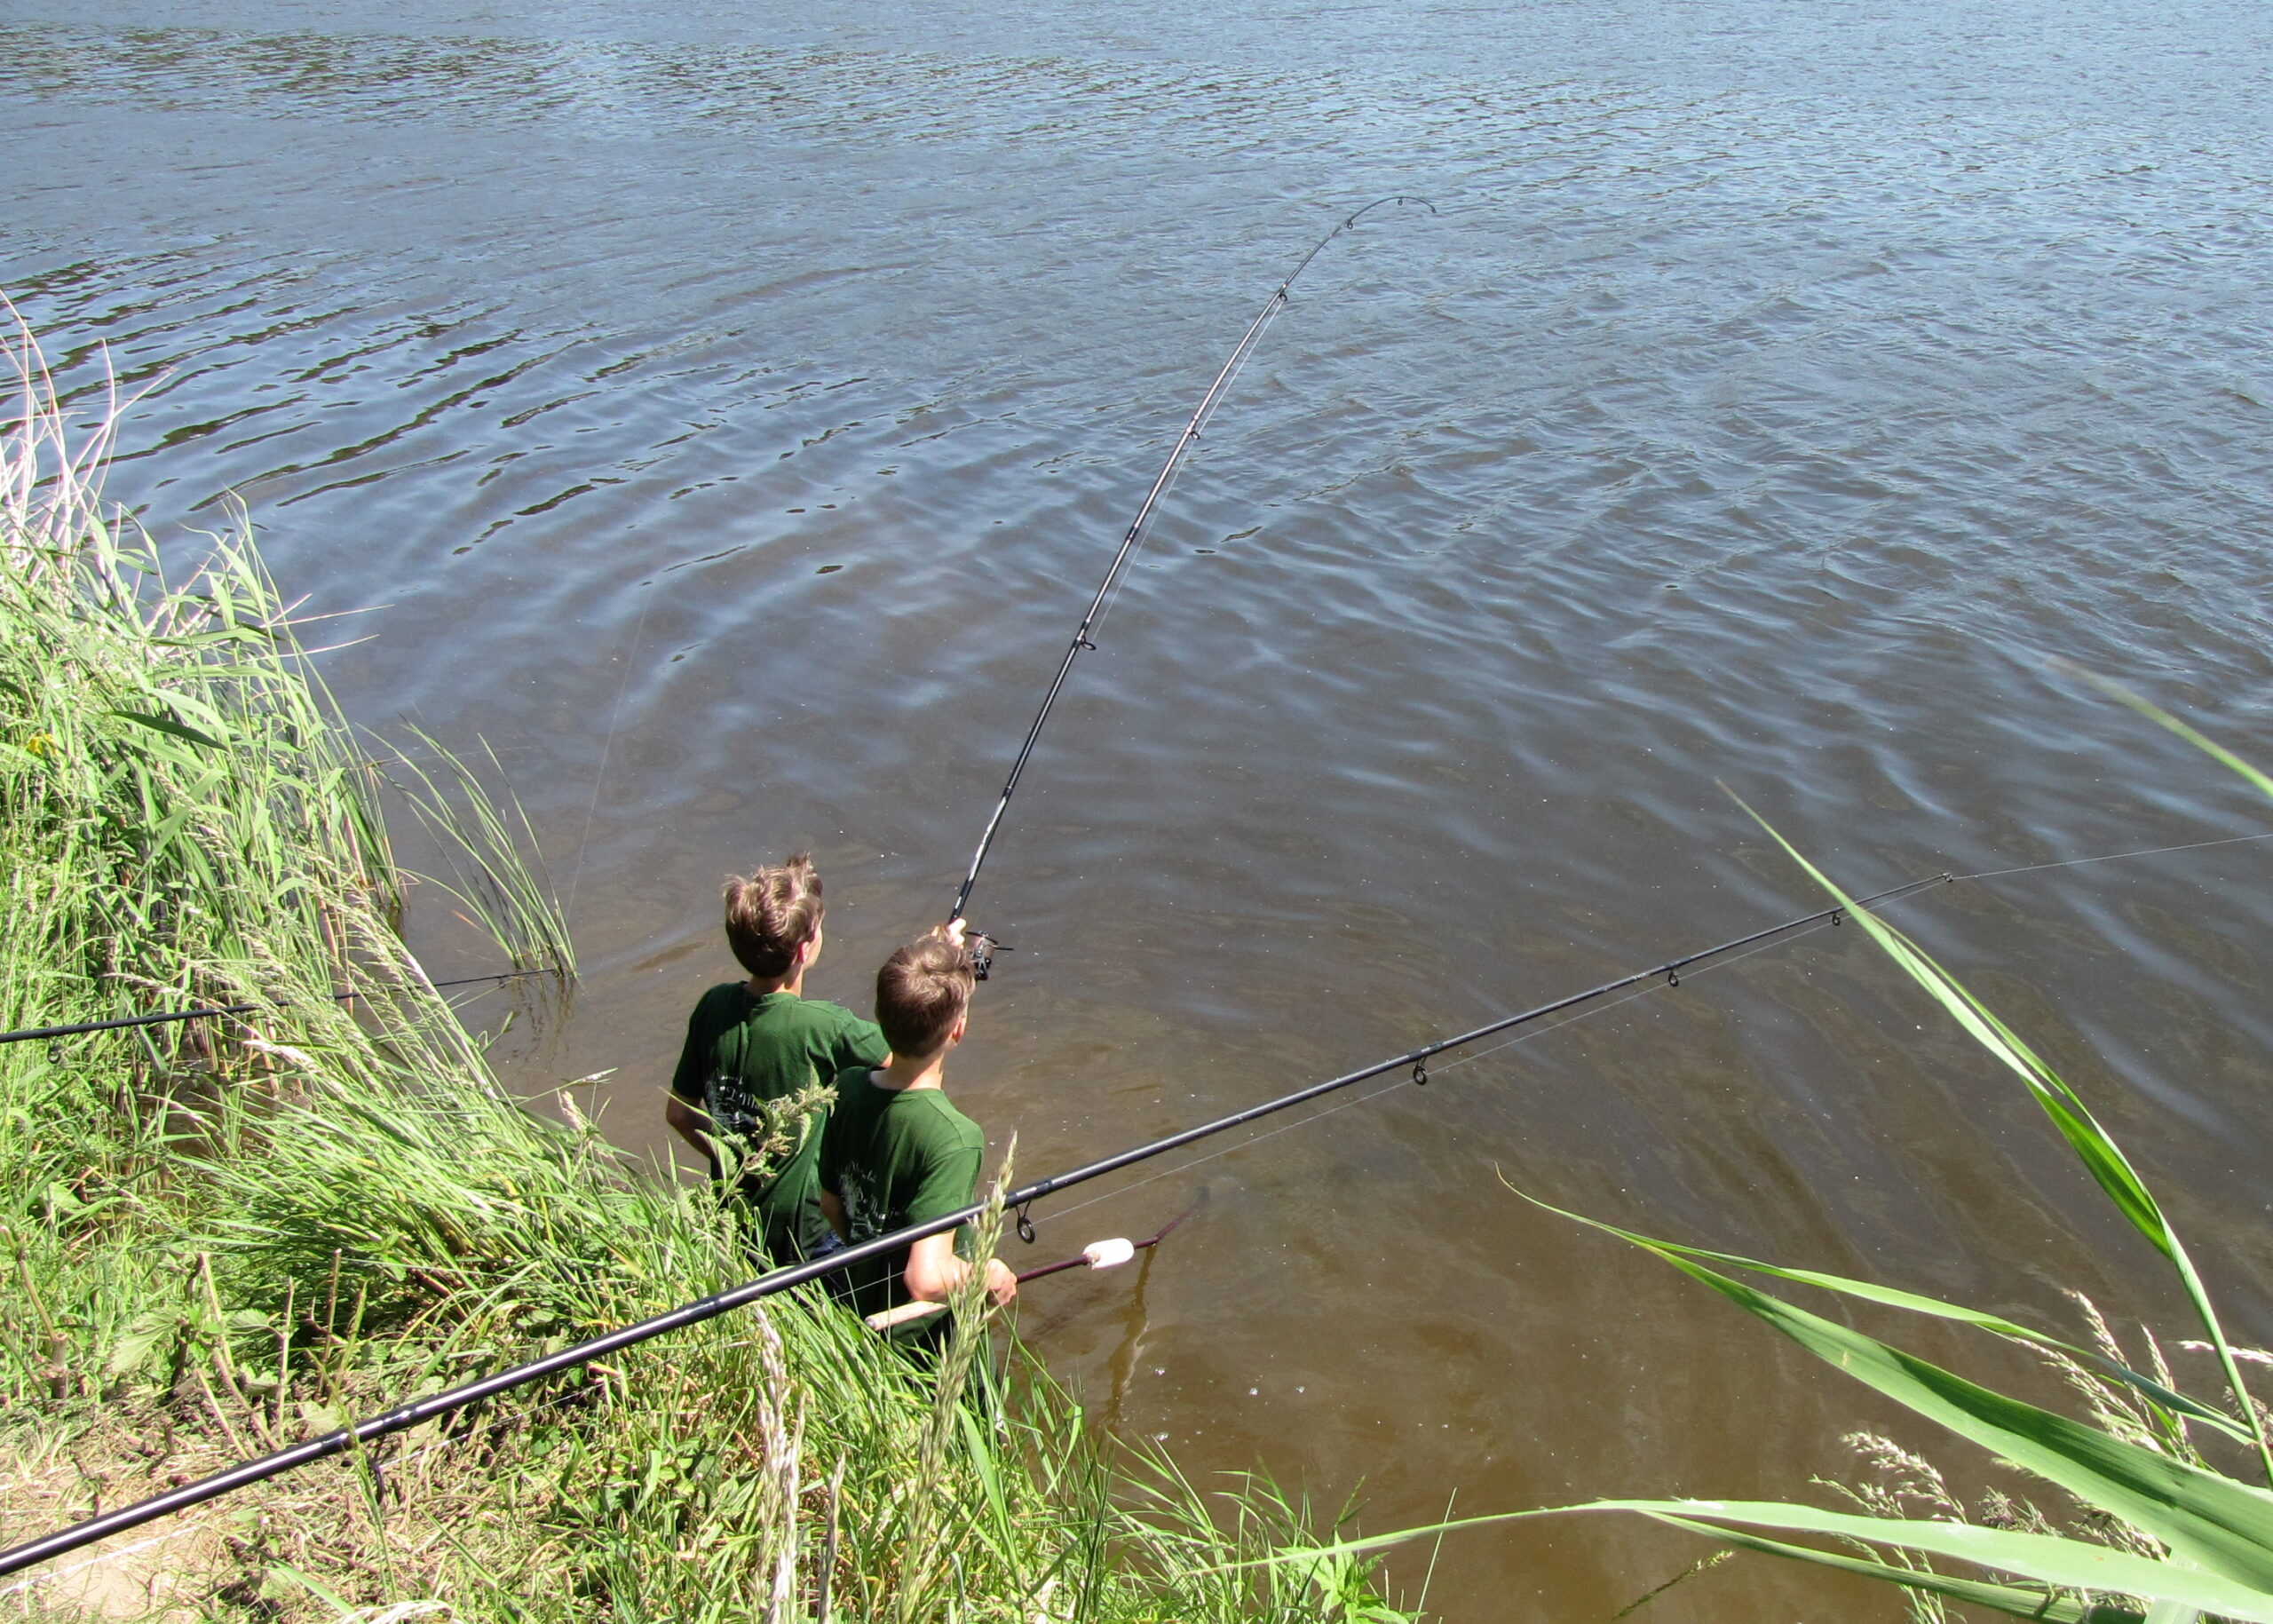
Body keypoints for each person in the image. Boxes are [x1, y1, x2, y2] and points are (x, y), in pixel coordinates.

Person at [666, 854, 886, 1264]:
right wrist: (935, 964)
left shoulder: (712, 1006)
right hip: (808, 1229)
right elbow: (905, 1056)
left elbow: (679, 1114)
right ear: (805, 949)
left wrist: (733, 1157)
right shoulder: (825, 1025)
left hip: (732, 1216)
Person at [818, 931, 1016, 1351]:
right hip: (926, 1345)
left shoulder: (847, 1086)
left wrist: (933, 957)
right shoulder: (955, 1138)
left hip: (861, 1311)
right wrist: (989, 1274)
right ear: (958, 1030)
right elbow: (926, 1279)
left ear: (878, 1016)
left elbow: (831, 1205)